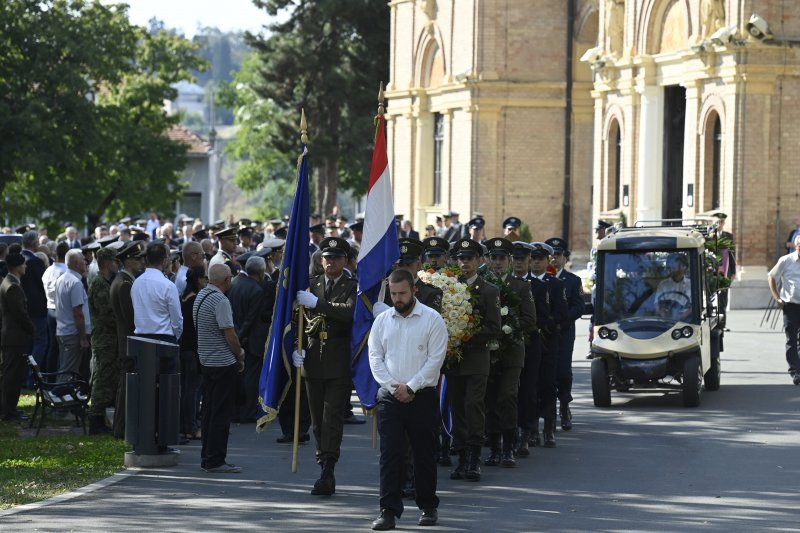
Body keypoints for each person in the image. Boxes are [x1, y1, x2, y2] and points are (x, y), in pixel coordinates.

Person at [368, 269, 447, 531]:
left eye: (402, 293)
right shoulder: (382, 321)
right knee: (390, 455)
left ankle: (428, 506)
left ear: (414, 290)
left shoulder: (432, 319)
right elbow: (375, 357)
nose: (397, 298)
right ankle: (388, 511)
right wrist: (392, 387)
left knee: (424, 453)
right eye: (393, 294)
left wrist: (411, 387)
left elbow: (435, 361)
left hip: (421, 397)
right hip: (391, 397)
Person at [292, 237, 358, 496]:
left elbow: (349, 313)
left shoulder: (352, 286)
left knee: (332, 417)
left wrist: (317, 304)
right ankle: (323, 461)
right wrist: (297, 347)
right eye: (327, 257)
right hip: (312, 360)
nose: (331, 262)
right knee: (317, 420)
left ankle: (328, 468)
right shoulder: (310, 285)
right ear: (320, 261)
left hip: (339, 360)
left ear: (345, 260)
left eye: (337, 257)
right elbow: (297, 319)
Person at [446, 238, 501, 482]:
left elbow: (493, 328)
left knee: (473, 405)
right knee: (456, 406)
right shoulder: (448, 288)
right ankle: (461, 456)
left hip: (477, 358)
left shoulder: (489, 290)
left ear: (479, 261)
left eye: (469, 258)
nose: (464, 263)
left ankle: (475, 457)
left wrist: (466, 334)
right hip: (453, 359)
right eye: (461, 258)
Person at [483, 238, 536, 468]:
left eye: (502, 258)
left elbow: (530, 320)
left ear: (509, 260)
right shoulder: (482, 286)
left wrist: (508, 329)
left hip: (512, 351)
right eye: (493, 257)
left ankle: (508, 447)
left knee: (507, 396)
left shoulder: (521, 286)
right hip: (487, 352)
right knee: (490, 399)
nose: (497, 262)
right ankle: (494, 448)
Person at [194, 263, 245, 473]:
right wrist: (239, 354)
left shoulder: (201, 296)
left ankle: (208, 456)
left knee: (209, 412)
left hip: (206, 361)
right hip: (223, 363)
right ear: (226, 280)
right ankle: (216, 459)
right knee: (221, 414)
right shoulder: (220, 300)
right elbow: (230, 335)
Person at [545, 237, 584, 431]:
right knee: (546, 374)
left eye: (558, 254)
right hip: (545, 333)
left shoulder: (572, 280)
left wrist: (562, 320)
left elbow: (579, 307)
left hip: (564, 332)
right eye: (550, 254)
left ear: (565, 258)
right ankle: (547, 411)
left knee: (563, 372)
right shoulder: (541, 279)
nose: (554, 258)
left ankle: (565, 406)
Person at [227, 256, 271, 424]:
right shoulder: (257, 290)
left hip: (236, 337)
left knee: (239, 377)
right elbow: (251, 319)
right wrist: (240, 338)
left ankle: (237, 410)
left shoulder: (235, 283)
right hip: (250, 341)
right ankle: (247, 411)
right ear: (260, 272)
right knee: (251, 379)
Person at [110, 241, 146, 438]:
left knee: (125, 387)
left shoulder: (125, 281)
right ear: (128, 261)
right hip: (128, 342)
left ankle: (121, 427)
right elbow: (130, 318)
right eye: (138, 259)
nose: (141, 262)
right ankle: (121, 429)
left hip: (126, 341)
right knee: (126, 389)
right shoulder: (124, 284)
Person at [86, 246, 119, 435]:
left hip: (109, 339)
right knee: (102, 379)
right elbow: (107, 313)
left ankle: (101, 417)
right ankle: (95, 419)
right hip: (104, 339)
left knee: (108, 378)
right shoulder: (99, 284)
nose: (117, 264)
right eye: (114, 261)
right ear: (107, 262)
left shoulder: (106, 282)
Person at [0, 253, 34, 421]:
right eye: (24, 265)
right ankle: (9, 412)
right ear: (18, 266)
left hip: (12, 336)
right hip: (14, 337)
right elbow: (20, 314)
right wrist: (32, 329)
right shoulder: (12, 286)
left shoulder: (9, 282)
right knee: (12, 376)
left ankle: (9, 409)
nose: (26, 267)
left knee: (11, 374)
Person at [131, 242, 183, 344]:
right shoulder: (168, 285)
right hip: (164, 339)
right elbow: (177, 320)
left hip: (141, 339)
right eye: (168, 257)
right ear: (164, 261)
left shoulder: (136, 283)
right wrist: (175, 337)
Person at [768, 235, 800, 385]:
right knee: (792, 339)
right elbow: (772, 276)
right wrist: (777, 297)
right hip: (791, 305)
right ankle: (795, 371)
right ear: (796, 246)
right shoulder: (786, 260)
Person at [54, 249, 91, 380]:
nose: (86, 262)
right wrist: (83, 338)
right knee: (68, 371)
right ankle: (59, 396)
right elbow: (78, 313)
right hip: (73, 333)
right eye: (83, 260)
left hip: (63, 331)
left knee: (65, 369)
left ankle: (61, 396)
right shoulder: (75, 283)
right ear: (76, 264)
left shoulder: (62, 278)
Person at [179, 265, 206, 441]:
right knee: (192, 391)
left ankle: (187, 426)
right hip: (193, 350)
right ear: (198, 280)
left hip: (186, 349)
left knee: (189, 390)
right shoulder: (194, 299)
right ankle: (190, 426)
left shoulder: (185, 297)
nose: (206, 282)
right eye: (205, 279)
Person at [20, 230, 49, 374]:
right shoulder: (35, 261)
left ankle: (25, 376)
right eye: (37, 240)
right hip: (37, 310)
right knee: (40, 342)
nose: (39, 243)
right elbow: (42, 286)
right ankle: (33, 377)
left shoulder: (18, 259)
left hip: (22, 309)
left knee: (28, 344)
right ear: (33, 243)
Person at [42, 241, 69, 374]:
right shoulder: (65, 271)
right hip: (61, 311)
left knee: (53, 347)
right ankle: (59, 377)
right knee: (64, 347)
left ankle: (51, 377)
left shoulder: (48, 270)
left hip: (50, 309)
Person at [654, 253, 692, 321]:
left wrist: (683, 316)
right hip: (666, 319)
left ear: (684, 267)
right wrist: (664, 316)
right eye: (669, 264)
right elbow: (657, 304)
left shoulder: (691, 284)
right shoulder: (663, 284)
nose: (671, 267)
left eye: (675, 264)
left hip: (687, 320)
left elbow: (694, 306)